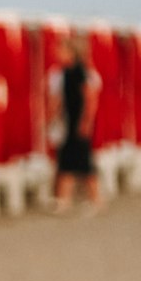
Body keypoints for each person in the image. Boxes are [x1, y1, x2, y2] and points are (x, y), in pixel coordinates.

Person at [47, 34, 103, 213]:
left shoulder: (80, 73)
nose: (57, 53)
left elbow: (90, 99)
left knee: (83, 163)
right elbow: (57, 101)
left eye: (61, 50)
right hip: (69, 122)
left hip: (77, 123)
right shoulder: (64, 73)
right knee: (66, 161)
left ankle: (95, 200)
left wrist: (86, 122)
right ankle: (64, 200)